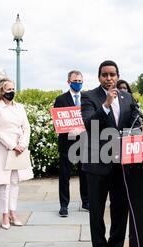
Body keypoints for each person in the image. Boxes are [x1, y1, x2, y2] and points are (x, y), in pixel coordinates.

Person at [81, 60, 140, 247]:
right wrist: (106, 104)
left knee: (120, 206)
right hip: (97, 163)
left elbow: (136, 122)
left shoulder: (127, 97)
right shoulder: (89, 96)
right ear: (99, 77)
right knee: (97, 209)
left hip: (122, 164)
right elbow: (89, 124)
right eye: (105, 75)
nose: (109, 78)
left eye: (112, 75)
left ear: (117, 76)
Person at [0, 79, 33, 229]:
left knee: (15, 181)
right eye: (8, 89)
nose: (11, 92)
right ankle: (4, 214)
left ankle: (13, 211)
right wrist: (12, 145)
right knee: (4, 183)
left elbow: (26, 127)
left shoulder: (20, 107)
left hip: (19, 148)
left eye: (13, 89)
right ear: (1, 91)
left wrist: (22, 144)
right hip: (4, 148)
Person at [54, 71, 89, 218]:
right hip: (66, 143)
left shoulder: (87, 98)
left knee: (85, 174)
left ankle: (86, 202)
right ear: (69, 81)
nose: (78, 83)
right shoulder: (61, 99)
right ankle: (64, 206)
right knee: (64, 176)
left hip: (84, 142)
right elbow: (57, 121)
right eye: (75, 80)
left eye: (80, 81)